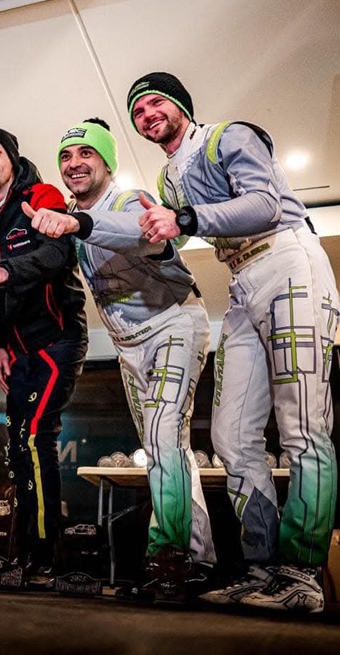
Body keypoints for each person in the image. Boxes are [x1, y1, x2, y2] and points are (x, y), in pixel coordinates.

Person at [128, 71, 340, 613]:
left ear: (180, 104)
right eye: (138, 111)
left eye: (155, 103)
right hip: (242, 283)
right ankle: (262, 567)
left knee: (302, 425)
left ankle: (303, 572)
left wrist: (182, 218)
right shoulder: (168, 176)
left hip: (288, 259)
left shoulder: (228, 135)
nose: (147, 115)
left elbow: (264, 204)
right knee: (230, 435)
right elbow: (180, 232)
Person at [24, 117, 217, 603]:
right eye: (66, 156)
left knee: (163, 437)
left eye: (86, 153)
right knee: (164, 447)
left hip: (173, 323)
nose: (74, 163)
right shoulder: (67, 216)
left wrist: (77, 223)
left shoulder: (130, 201)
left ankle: (166, 558)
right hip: (127, 344)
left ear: (108, 162)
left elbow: (144, 234)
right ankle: (198, 560)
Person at [0, 127, 88, 587]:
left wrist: (2, 271)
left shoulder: (41, 195)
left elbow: (58, 254)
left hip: (58, 338)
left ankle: (43, 555)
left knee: (35, 437)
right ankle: (24, 549)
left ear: (12, 159)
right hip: (15, 350)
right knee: (19, 446)